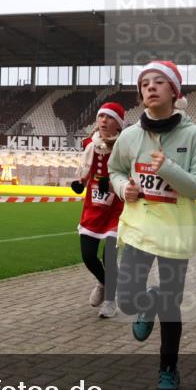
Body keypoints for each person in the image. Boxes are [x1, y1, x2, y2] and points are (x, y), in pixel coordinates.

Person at [109, 61, 196, 390]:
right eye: (144, 84)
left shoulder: (193, 135)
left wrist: (166, 168)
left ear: (174, 91)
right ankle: (146, 301)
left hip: (175, 231)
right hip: (139, 227)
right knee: (125, 301)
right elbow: (116, 171)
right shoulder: (129, 136)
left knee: (170, 303)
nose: (150, 87)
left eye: (158, 82)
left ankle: (168, 369)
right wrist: (124, 188)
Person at [70, 102, 126, 318]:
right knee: (88, 255)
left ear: (118, 124)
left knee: (109, 256)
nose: (103, 120)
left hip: (116, 208)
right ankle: (104, 283)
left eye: (109, 117)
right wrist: (80, 183)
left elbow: (131, 175)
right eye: (101, 116)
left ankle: (111, 300)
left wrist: (112, 184)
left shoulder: (125, 147)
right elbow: (86, 171)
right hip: (93, 206)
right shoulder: (90, 145)